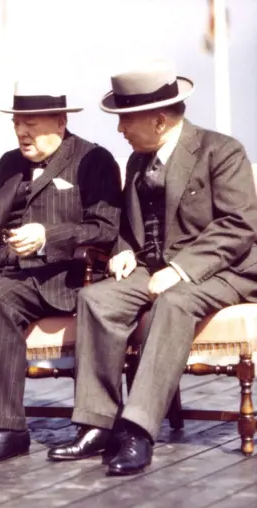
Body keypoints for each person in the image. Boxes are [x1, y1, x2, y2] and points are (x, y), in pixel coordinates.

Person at [48, 59, 257, 475]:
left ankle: (138, 429)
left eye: (126, 120)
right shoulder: (137, 162)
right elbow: (131, 224)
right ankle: (96, 422)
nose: (120, 130)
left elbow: (239, 226)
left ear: (159, 120)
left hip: (225, 271)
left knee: (175, 302)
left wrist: (180, 271)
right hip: (155, 266)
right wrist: (124, 248)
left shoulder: (221, 150)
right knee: (96, 298)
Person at [0, 81, 123, 464]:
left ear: (60, 122)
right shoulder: (9, 162)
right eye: (17, 123)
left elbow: (104, 228)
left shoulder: (94, 160)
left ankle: (6, 428)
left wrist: (48, 236)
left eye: (31, 122)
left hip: (58, 276)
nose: (21, 132)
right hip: (1, 272)